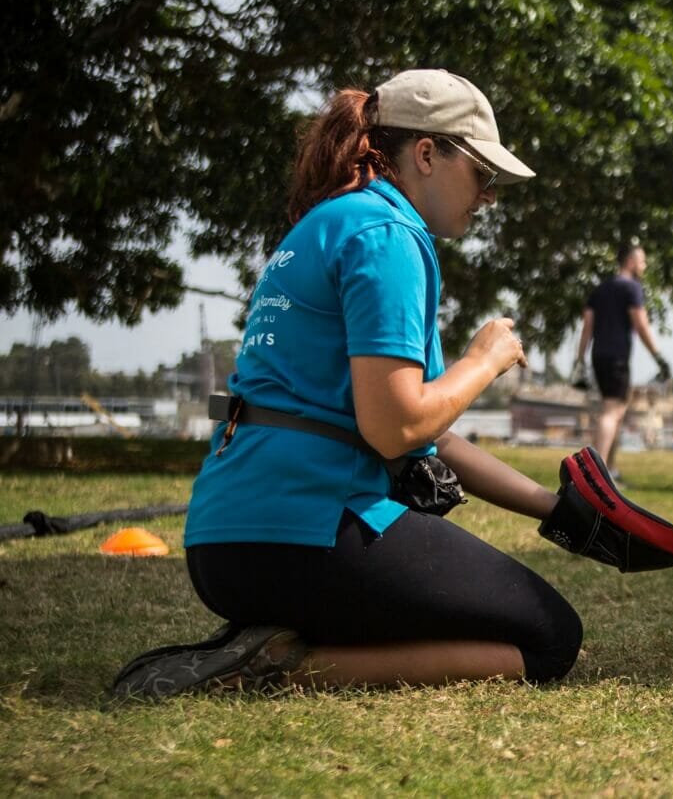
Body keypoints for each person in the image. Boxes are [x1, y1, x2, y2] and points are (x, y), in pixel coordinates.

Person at [113, 69, 584, 698]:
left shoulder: (334, 223)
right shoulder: (387, 237)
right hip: (304, 533)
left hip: (225, 542)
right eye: (483, 174)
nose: (488, 197)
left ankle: (272, 643)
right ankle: (277, 669)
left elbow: (426, 436)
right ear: (426, 155)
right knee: (549, 638)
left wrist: (560, 512)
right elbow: (397, 429)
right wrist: (485, 359)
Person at [572, 244, 671, 480]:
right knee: (611, 412)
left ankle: (609, 470)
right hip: (617, 356)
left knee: (616, 412)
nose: (644, 266)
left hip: (598, 356)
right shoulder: (632, 288)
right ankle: (594, 475)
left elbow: (587, 326)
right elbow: (641, 324)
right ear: (631, 261)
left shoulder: (600, 289)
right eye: (642, 261)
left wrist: (580, 360)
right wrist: (658, 357)